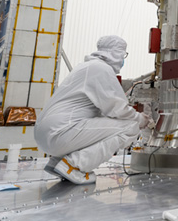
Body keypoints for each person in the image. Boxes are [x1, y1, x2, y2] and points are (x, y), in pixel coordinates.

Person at [35, 35, 151, 185]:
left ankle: (57, 162)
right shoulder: (100, 68)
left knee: (110, 124)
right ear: (116, 53)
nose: (123, 60)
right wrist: (140, 119)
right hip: (61, 132)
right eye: (123, 55)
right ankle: (73, 166)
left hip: (48, 133)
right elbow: (117, 108)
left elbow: (103, 111)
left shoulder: (85, 67)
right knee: (131, 126)